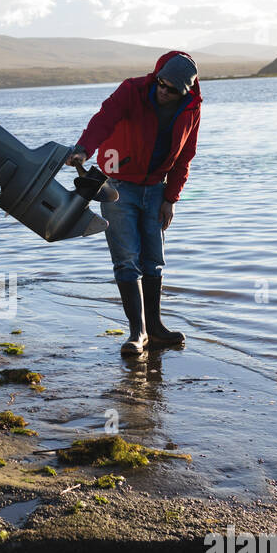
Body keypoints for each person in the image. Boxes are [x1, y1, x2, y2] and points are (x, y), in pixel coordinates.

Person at [66, 51, 201, 356]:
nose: (163, 92)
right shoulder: (132, 90)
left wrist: (171, 199)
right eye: (161, 84)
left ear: (186, 91)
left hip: (156, 189)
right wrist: (84, 149)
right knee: (126, 259)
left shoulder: (191, 109)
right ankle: (137, 333)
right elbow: (104, 118)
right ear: (157, 77)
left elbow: (185, 156)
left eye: (172, 90)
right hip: (117, 188)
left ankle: (155, 327)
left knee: (153, 260)